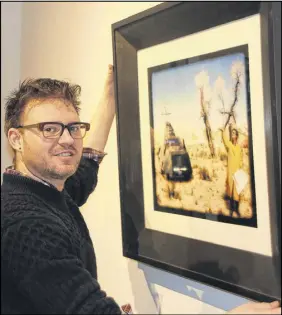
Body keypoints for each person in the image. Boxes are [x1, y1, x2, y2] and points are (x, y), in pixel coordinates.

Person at [1, 66, 280, 315]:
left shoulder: (40, 191)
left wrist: (110, 98)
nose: (66, 139)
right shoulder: (27, 224)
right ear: (16, 139)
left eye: (73, 127)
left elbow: (82, 174)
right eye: (49, 129)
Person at [220, 123, 243, 217]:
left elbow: (241, 159)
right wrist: (222, 132)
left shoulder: (239, 147)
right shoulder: (229, 145)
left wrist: (240, 167)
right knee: (230, 190)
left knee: (237, 191)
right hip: (230, 171)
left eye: (234, 133)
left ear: (237, 136)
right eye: (232, 133)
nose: (233, 134)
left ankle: (236, 210)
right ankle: (231, 210)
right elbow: (225, 140)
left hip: (237, 171)